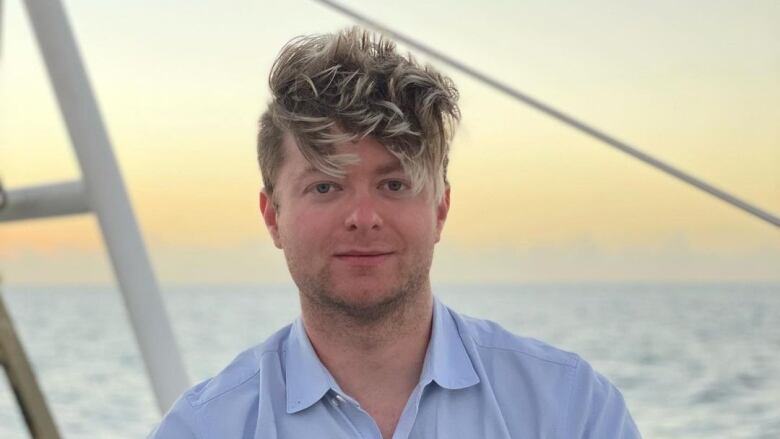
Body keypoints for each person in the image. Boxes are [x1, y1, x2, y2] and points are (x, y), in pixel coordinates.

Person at [150, 27, 641, 438]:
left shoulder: (571, 409)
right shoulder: (204, 428)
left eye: (393, 183)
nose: (363, 217)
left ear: (440, 208)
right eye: (325, 186)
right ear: (272, 216)